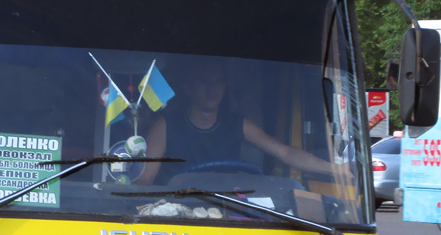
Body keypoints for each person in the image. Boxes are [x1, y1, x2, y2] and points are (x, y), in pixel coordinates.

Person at [140, 58, 331, 184]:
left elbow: (286, 153)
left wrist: (334, 169)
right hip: (175, 212)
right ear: (188, 88)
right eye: (204, 81)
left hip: (225, 209)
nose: (212, 88)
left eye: (218, 82)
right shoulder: (165, 125)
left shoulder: (237, 123)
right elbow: (145, 179)